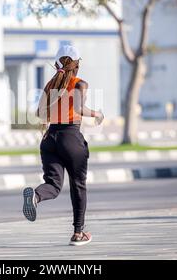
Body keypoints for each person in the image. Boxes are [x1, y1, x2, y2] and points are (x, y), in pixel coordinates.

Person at [22, 45, 104, 246]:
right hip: (71, 138)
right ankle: (78, 233)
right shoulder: (80, 83)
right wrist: (97, 114)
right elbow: (78, 108)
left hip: (49, 140)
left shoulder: (50, 85)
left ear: (58, 64)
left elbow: (40, 114)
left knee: (53, 185)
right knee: (78, 185)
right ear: (76, 64)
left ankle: (36, 196)